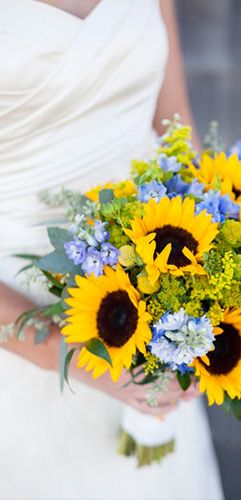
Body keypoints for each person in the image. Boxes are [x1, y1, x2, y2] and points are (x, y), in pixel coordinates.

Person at [0, 1, 224, 498]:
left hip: (159, 293)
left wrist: (216, 276)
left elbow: (177, 129)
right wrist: (79, 359)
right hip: (22, 327)